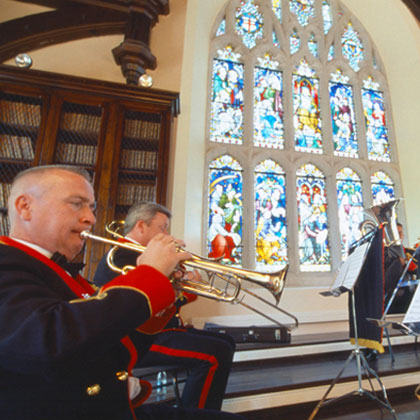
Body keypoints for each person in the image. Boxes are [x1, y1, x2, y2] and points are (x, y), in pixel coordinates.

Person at [0, 164, 244, 420]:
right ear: (25, 207)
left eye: (92, 208)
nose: (91, 219)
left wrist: (167, 293)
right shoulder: (9, 263)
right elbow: (49, 339)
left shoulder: (57, 269)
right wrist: (150, 275)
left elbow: (118, 345)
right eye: (77, 204)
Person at [94, 201, 237, 410]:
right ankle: (199, 413)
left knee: (226, 342)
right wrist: (183, 291)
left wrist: (183, 284)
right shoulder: (122, 255)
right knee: (215, 354)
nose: (167, 235)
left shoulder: (141, 256)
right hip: (137, 338)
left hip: (159, 330)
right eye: (163, 228)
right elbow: (144, 305)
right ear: (141, 226)